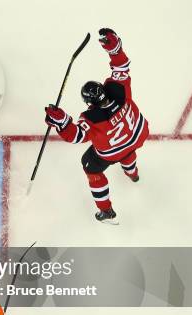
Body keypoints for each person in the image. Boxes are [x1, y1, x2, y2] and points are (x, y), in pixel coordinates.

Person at [44, 28, 149, 223]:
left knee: (90, 166)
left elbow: (76, 136)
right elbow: (121, 68)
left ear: (88, 102)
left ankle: (106, 211)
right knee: (127, 149)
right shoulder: (119, 90)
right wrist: (115, 50)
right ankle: (132, 173)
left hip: (114, 150)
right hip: (139, 134)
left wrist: (61, 121)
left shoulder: (91, 118)